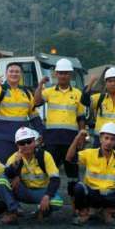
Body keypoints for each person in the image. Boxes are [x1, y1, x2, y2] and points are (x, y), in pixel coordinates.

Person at [66, 122, 115, 225]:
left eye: (112, 139)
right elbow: (69, 158)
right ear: (101, 139)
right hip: (93, 194)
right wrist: (77, 137)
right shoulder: (89, 153)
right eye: (106, 138)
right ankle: (84, 213)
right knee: (79, 187)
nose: (109, 142)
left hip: (112, 195)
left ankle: (109, 211)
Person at [33, 58, 85, 199]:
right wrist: (40, 85)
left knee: (73, 175)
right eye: (60, 73)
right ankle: (46, 204)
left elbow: (81, 117)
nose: (63, 76)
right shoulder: (48, 92)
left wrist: (81, 137)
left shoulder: (78, 94)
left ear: (70, 75)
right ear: (56, 74)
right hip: (52, 140)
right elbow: (37, 102)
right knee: (50, 173)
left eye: (66, 73)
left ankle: (76, 208)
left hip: (71, 140)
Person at [0, 127, 63, 224]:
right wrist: (16, 166)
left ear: (34, 142)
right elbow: (6, 175)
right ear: (17, 145)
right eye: (22, 143)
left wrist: (47, 196)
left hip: (41, 192)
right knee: (2, 181)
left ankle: (41, 211)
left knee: (57, 202)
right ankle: (13, 211)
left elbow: (55, 179)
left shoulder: (45, 156)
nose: (26, 145)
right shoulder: (14, 158)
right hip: (23, 191)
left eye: (29, 141)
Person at [0, 62, 44, 163]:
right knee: (0, 168)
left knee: (18, 169)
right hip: (1, 139)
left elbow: (34, 116)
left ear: (21, 74)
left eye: (17, 72)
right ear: (6, 73)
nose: (14, 74)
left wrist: (41, 132)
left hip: (22, 140)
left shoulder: (27, 93)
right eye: (11, 71)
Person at [81, 67, 115, 153]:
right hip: (100, 141)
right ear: (106, 83)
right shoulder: (99, 98)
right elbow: (84, 100)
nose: (113, 84)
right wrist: (91, 83)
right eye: (110, 81)